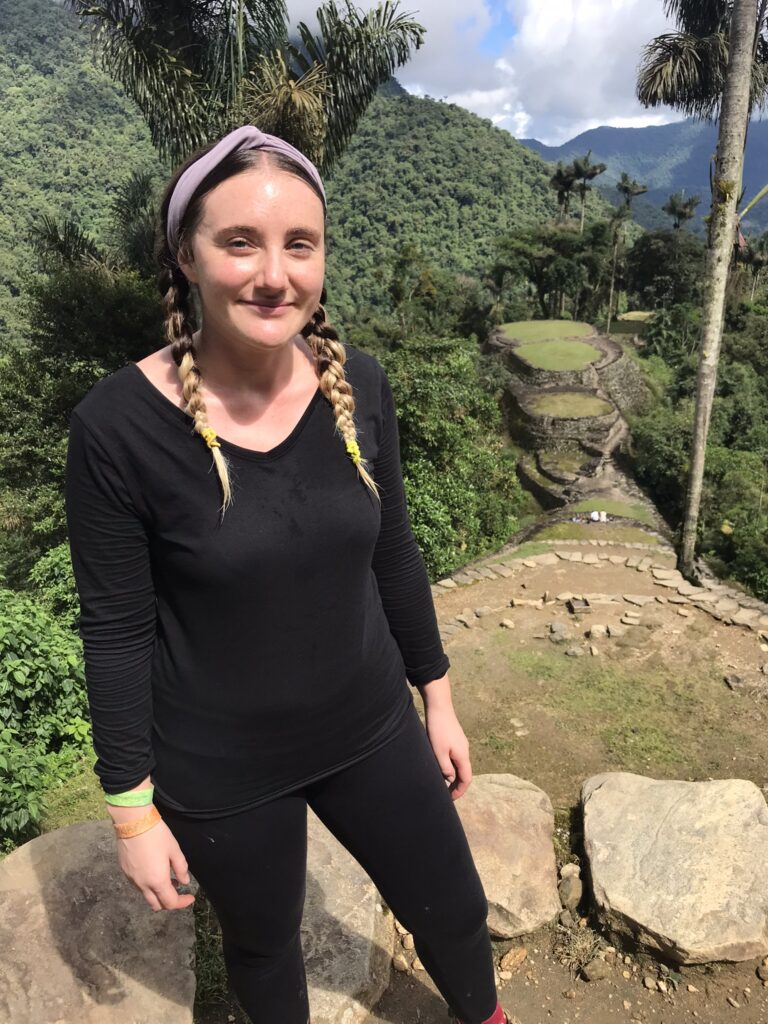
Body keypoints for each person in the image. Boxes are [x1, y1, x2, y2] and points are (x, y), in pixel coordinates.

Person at [64, 125, 513, 1024]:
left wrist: (439, 698)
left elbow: (393, 550)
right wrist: (131, 814)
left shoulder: (360, 384)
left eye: (297, 244)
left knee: (456, 910)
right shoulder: (116, 429)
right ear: (185, 257)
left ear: (321, 258)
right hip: (221, 765)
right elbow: (114, 633)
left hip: (369, 721)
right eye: (240, 242)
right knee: (265, 956)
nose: (274, 274)